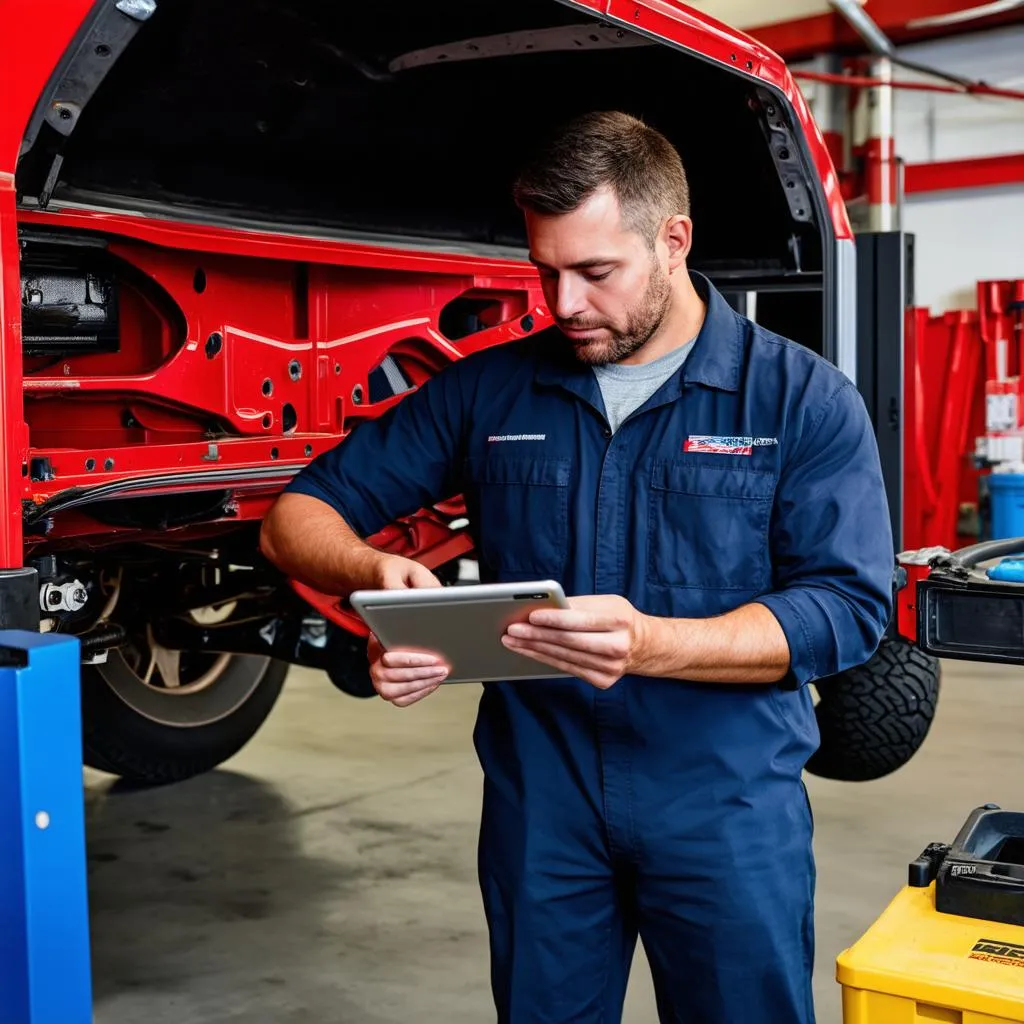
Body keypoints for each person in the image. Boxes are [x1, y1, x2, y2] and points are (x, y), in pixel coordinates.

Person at [260, 110, 894, 1023]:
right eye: (545, 272)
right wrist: (381, 586)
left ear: (673, 241)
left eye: (596, 273)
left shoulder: (798, 398)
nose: (562, 305)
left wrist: (652, 643)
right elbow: (295, 517)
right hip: (541, 805)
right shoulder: (493, 389)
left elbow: (845, 609)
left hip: (724, 806)